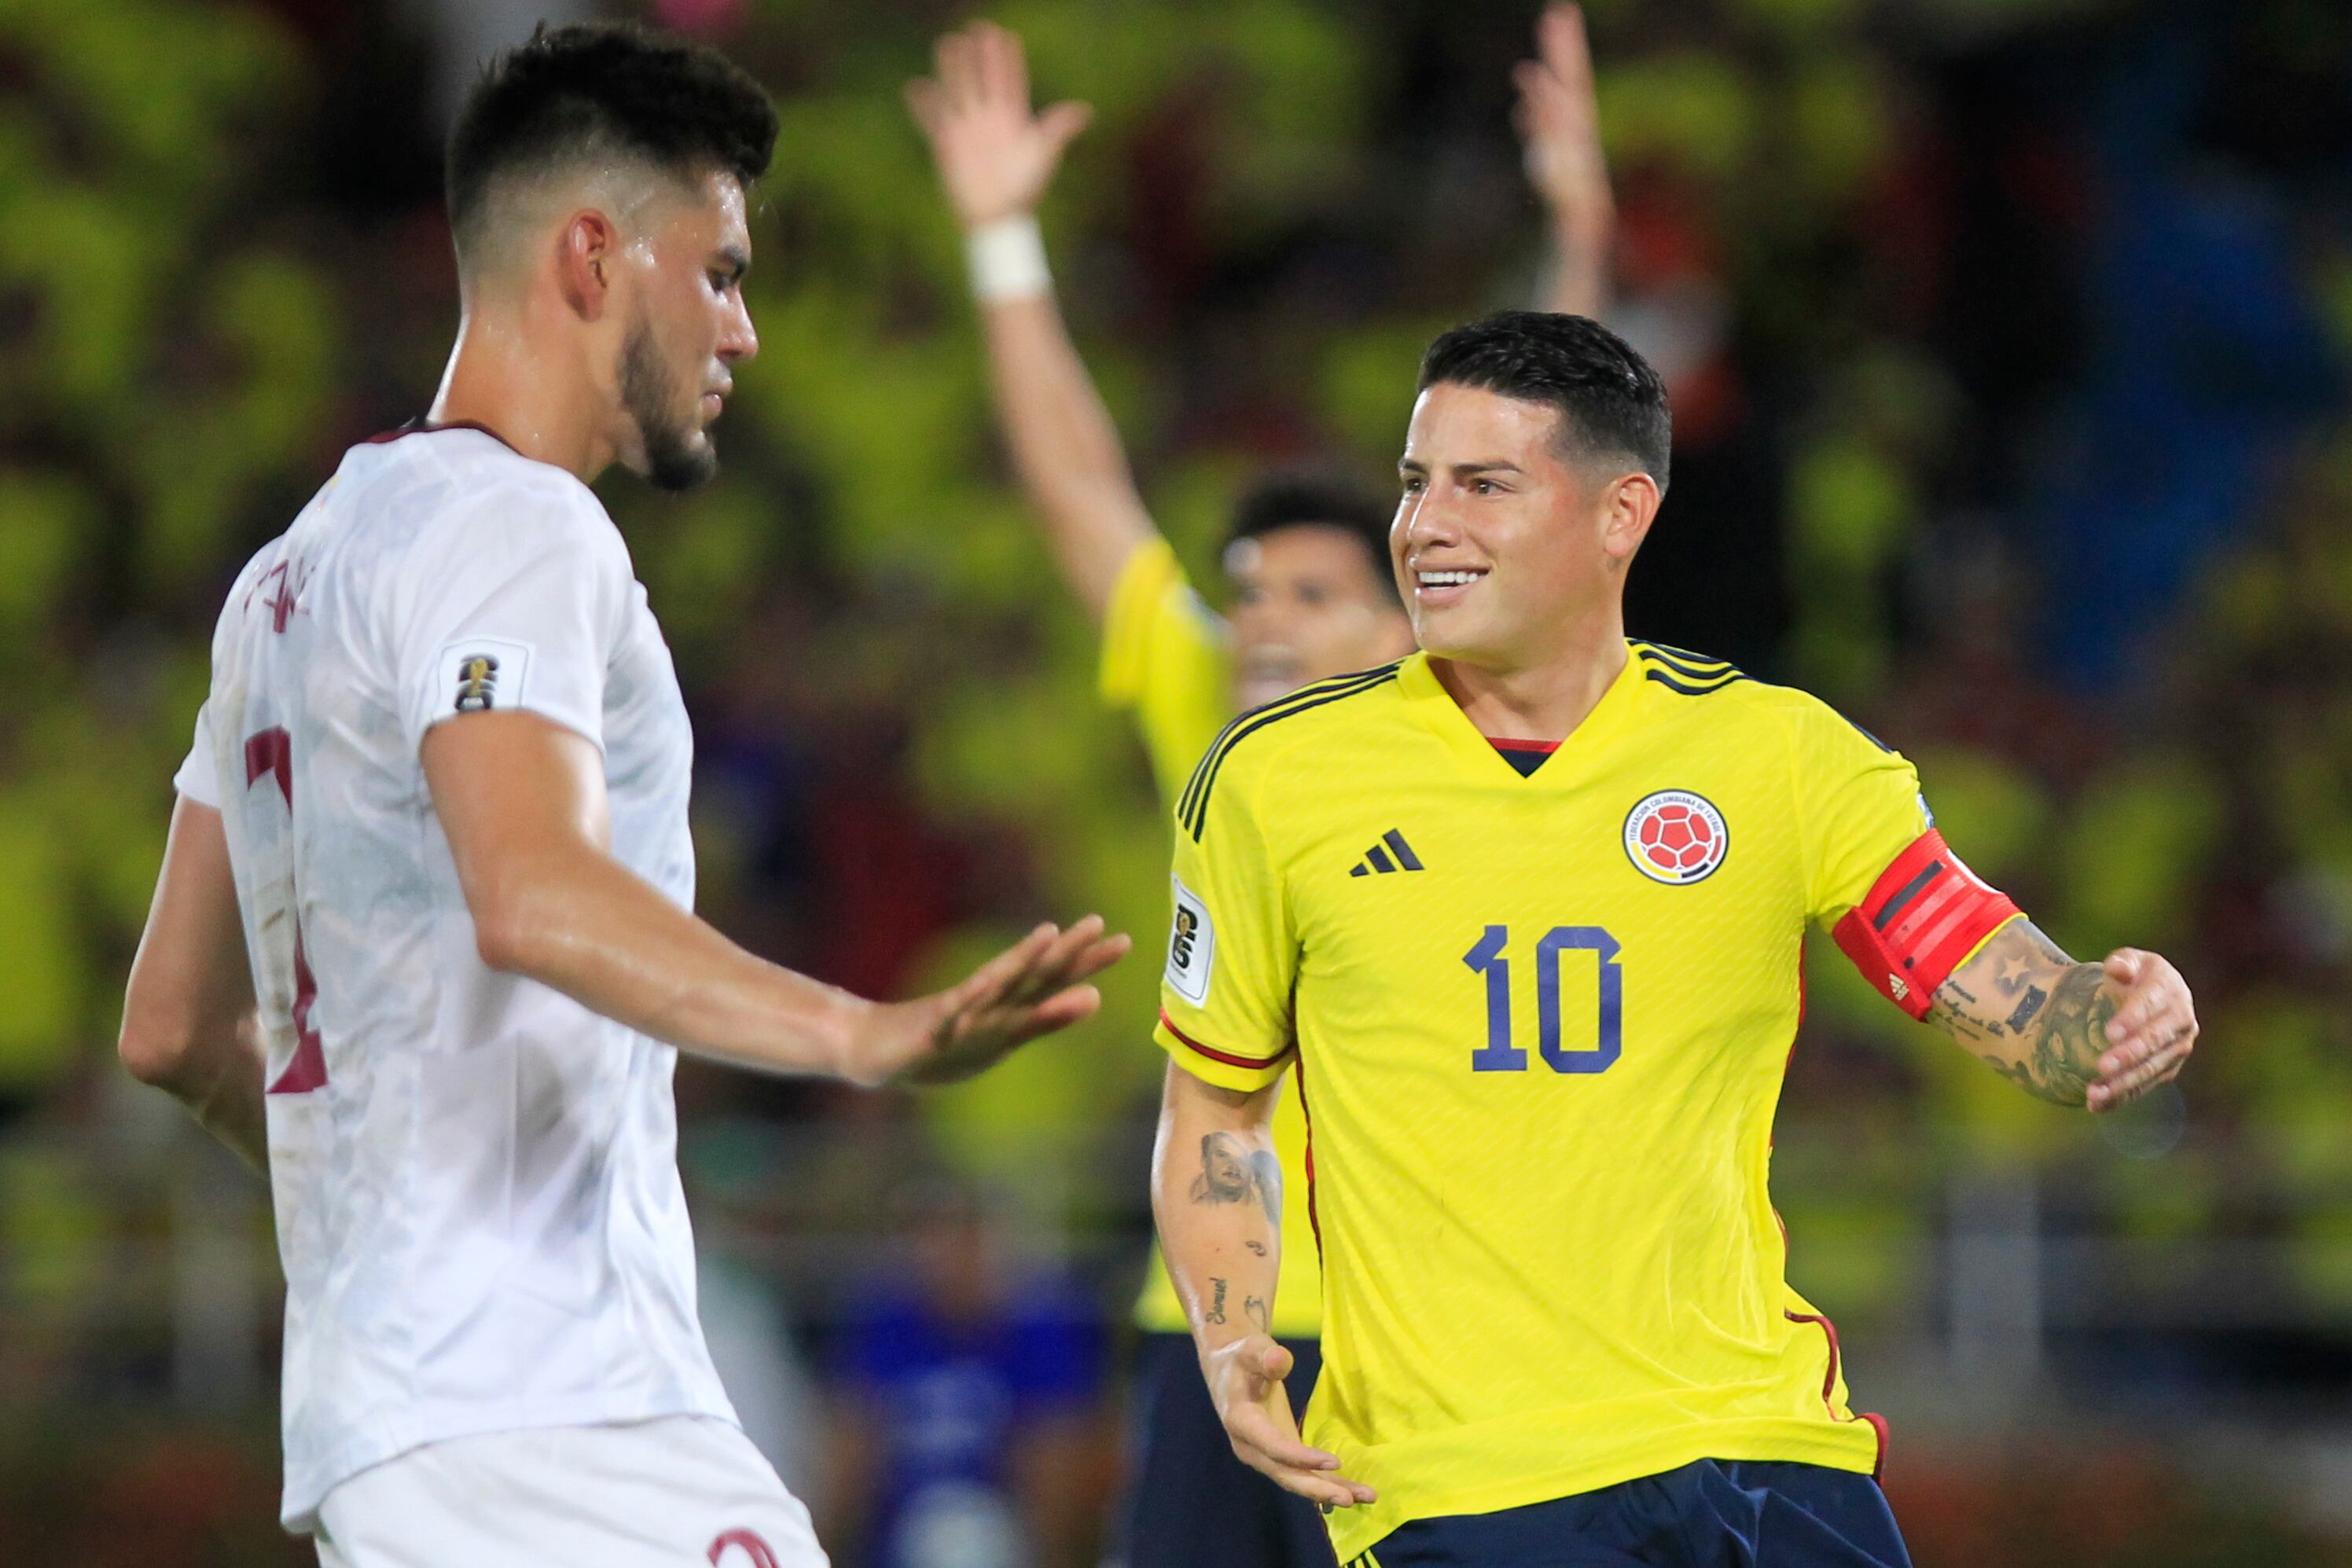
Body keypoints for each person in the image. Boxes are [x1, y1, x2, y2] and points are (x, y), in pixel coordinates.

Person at [115, 24, 1126, 1568]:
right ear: (593, 256)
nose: (745, 332)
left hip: (392, 1429)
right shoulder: (516, 528)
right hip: (553, 1415)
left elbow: (173, 1027)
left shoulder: (284, 581)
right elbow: (530, 890)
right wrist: (862, 1033)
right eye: (719, 273)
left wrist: (385, 1221)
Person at [1149, 310, 2199, 1568]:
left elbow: (2025, 1009)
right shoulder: (1275, 780)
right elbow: (1216, 1109)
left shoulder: (1781, 757)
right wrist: (1231, 1334)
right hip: (1465, 1481)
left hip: (1764, 1446)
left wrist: (2123, 1016)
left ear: (1620, 515)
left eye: (1485, 486)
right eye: (1417, 483)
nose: (1425, 525)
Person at [904, 13, 1610, 1564]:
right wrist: (1004, 243)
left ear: (1404, 621)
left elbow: (1543, 485)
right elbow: (1079, 487)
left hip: (1423, 1327)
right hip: (1211, 1321)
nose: (1260, 625)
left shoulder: (1467, 725)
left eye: (1305, 593)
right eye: (1245, 593)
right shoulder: (1211, 727)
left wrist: (1575, 232)